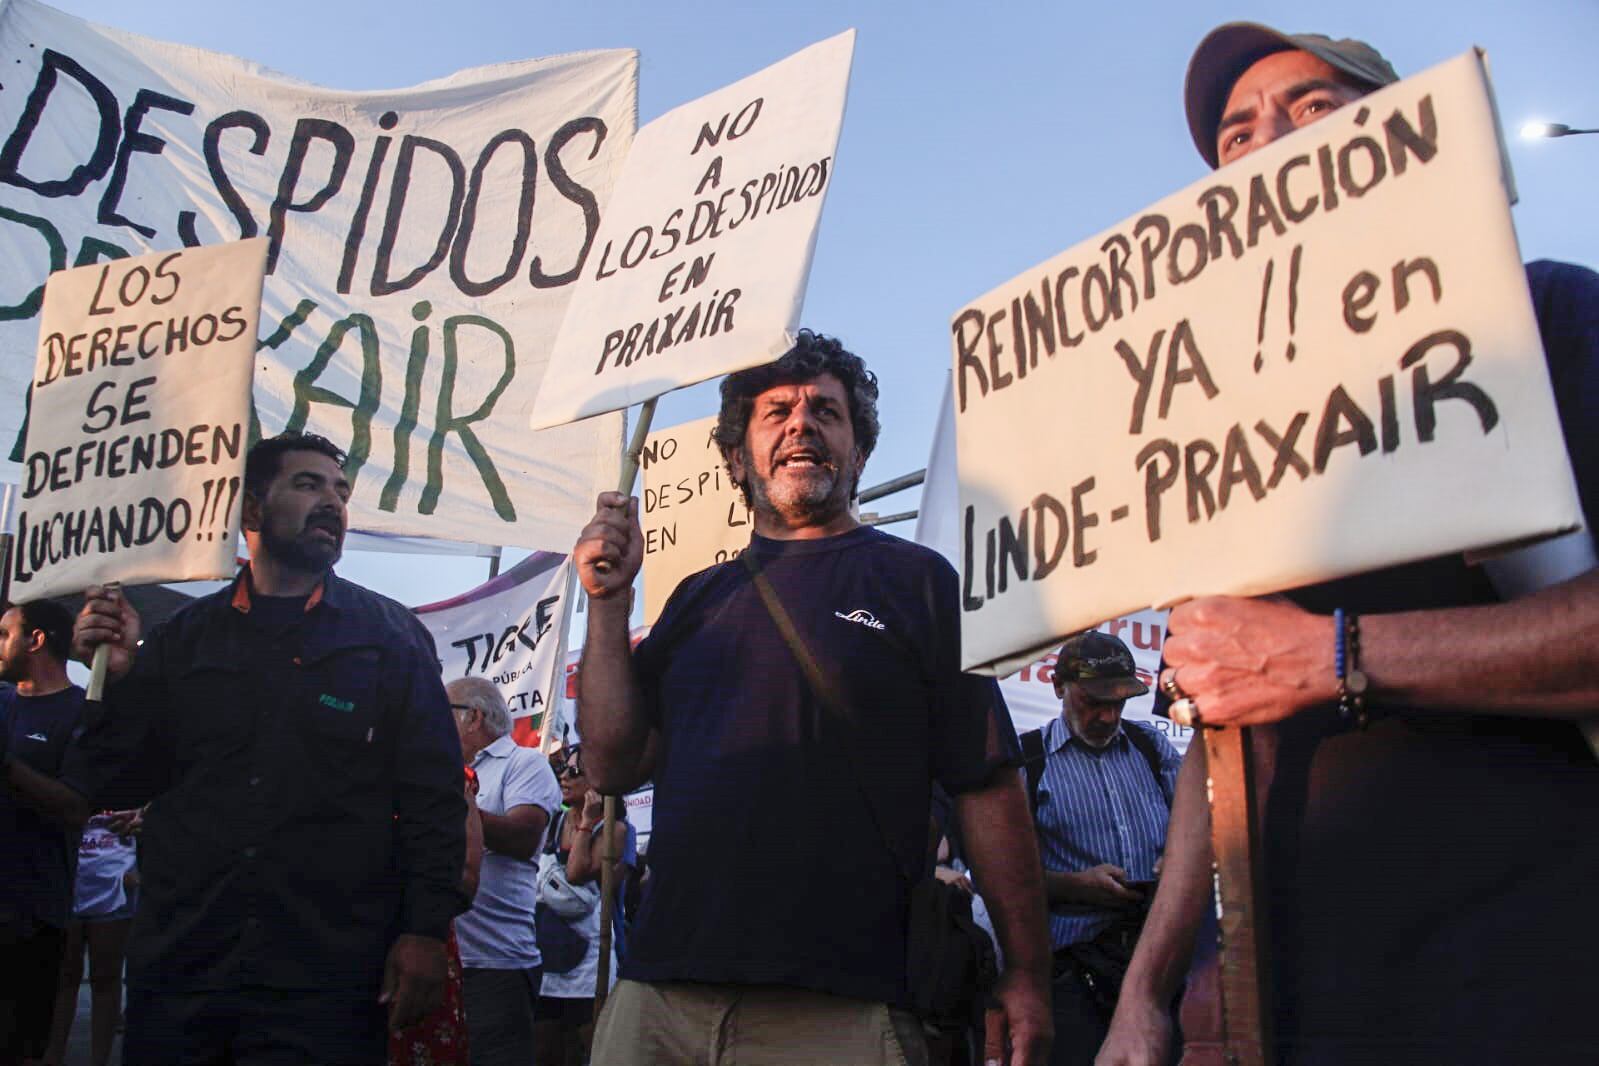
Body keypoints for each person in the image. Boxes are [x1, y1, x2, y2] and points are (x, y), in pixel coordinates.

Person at [1097, 23, 1599, 1066]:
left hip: (1531, 965)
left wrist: (1329, 657)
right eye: (1236, 135)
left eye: (1312, 110)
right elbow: (1219, 715)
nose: (1267, 143)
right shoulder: (1216, 436)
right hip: (1293, 997)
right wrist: (1154, 983)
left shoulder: (1540, 315)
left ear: (1403, 136)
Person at [575, 331, 1053, 1065]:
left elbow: (986, 785)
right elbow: (612, 766)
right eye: (776, 412)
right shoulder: (697, 599)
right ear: (737, 458)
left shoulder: (919, 584)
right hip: (661, 995)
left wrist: (1026, 973)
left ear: (858, 452)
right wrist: (607, 604)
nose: (801, 424)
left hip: (842, 1005)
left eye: (826, 412)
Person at [66, 432, 467, 1065]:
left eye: (341, 491)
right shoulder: (185, 639)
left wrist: (423, 931)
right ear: (251, 512)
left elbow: (433, 797)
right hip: (186, 970)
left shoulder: (389, 638)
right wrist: (116, 680)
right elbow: (114, 781)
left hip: (324, 976)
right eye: (308, 486)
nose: (333, 503)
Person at [1026, 633, 1177, 1066]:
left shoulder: (1152, 747)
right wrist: (1075, 886)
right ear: (1059, 687)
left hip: (1161, 962)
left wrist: (1178, 862)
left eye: (1120, 702)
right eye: (1094, 701)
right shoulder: (1028, 761)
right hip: (1075, 977)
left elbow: (1201, 826)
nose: (1109, 715)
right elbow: (998, 878)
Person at [446, 676, 561, 1066]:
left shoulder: (525, 763)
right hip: (443, 958)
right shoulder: (447, 772)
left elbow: (524, 836)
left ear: (473, 717)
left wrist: (450, 810)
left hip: (495, 965)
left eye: (446, 712)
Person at [0, 599, 90, 1066]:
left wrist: (9, 767)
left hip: (31, 912)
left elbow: (76, 806)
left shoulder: (81, 712)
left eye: (5, 633)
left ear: (35, 640)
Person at [533, 744, 636, 1066]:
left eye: (574, 772)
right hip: (549, 952)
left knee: (591, 1050)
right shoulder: (552, 824)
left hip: (593, 959)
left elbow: (576, 873)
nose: (564, 776)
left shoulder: (617, 831)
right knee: (545, 1049)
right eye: (563, 769)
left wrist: (587, 822)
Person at [44, 805, 143, 1066]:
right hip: (65, 869)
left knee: (105, 976)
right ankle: (51, 1057)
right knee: (63, 976)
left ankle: (98, 1061)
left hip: (117, 869)